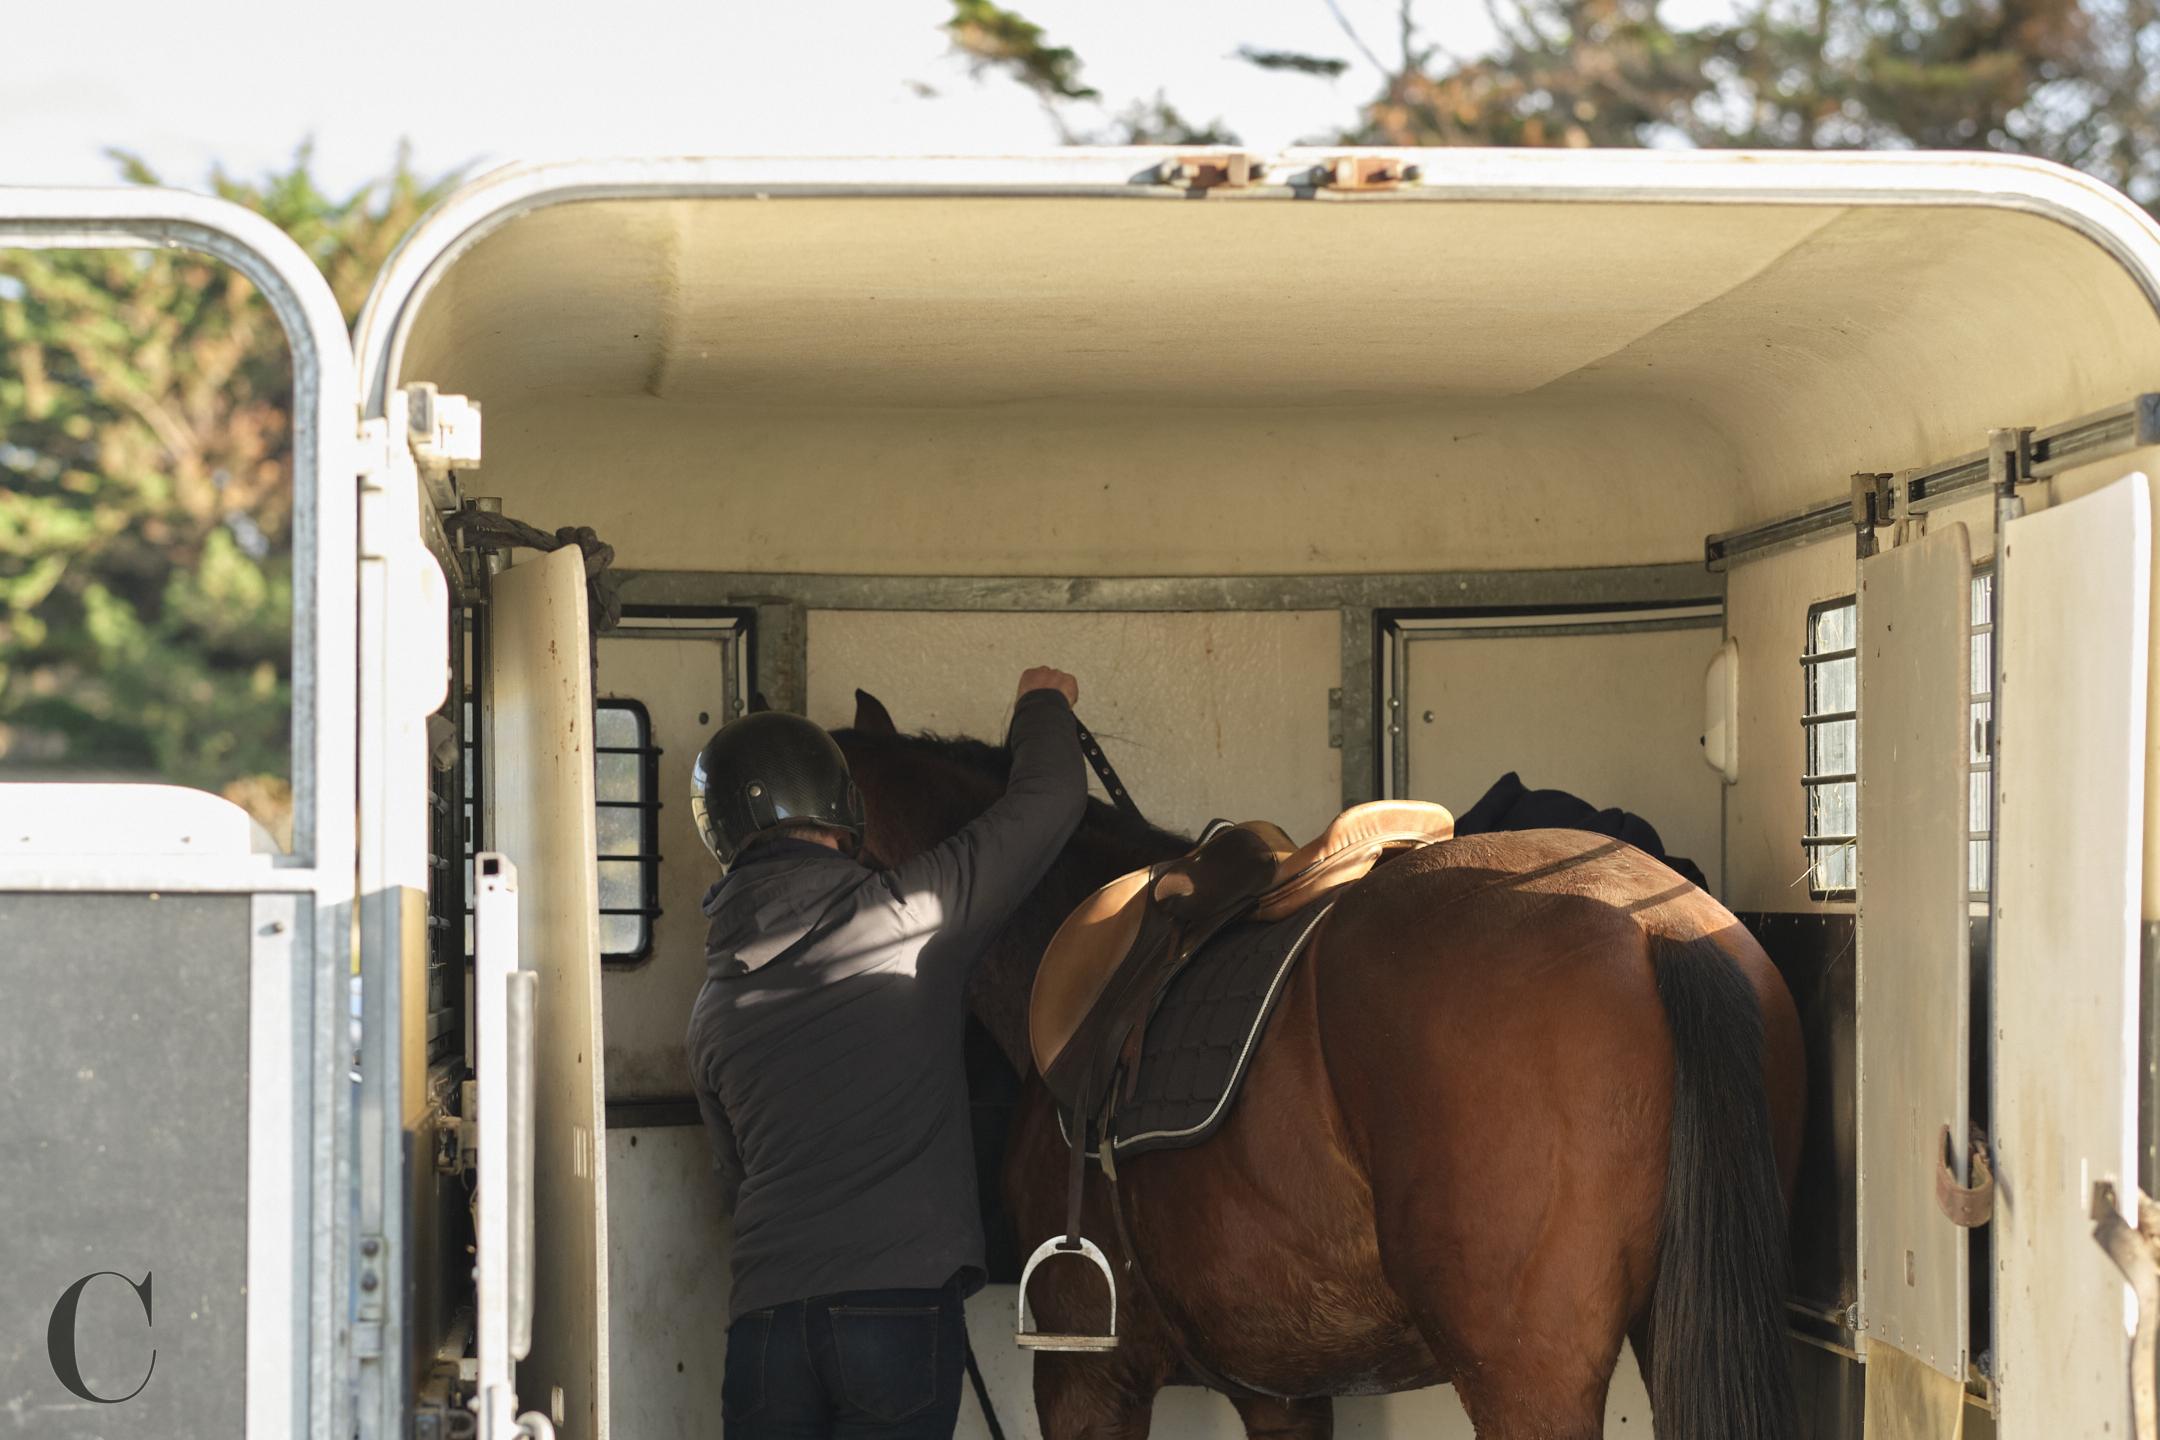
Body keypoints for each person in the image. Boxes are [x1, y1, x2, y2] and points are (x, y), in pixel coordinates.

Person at [685, 667, 1088, 1440]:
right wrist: (1043, 703)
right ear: (844, 808)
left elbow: (735, 1181)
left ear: (723, 840)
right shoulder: (910, 914)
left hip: (764, 1328)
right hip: (893, 1313)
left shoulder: (712, 1007)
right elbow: (1048, 803)